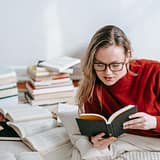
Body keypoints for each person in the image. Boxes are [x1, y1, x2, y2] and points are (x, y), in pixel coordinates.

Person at [77, 25, 160, 158]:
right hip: (127, 141)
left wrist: (155, 122)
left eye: (115, 65)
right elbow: (95, 128)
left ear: (128, 56)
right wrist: (95, 139)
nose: (107, 73)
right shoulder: (92, 88)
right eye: (100, 64)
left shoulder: (154, 71)